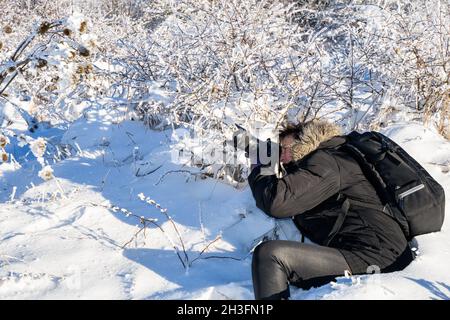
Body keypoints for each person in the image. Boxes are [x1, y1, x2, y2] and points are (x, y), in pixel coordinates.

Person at [248, 120, 415, 300]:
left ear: (305, 142)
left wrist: (262, 165)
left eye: (287, 149)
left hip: (377, 257)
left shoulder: (327, 161)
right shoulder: (334, 160)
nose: (283, 157)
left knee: (270, 255)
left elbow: (277, 202)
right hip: (375, 254)